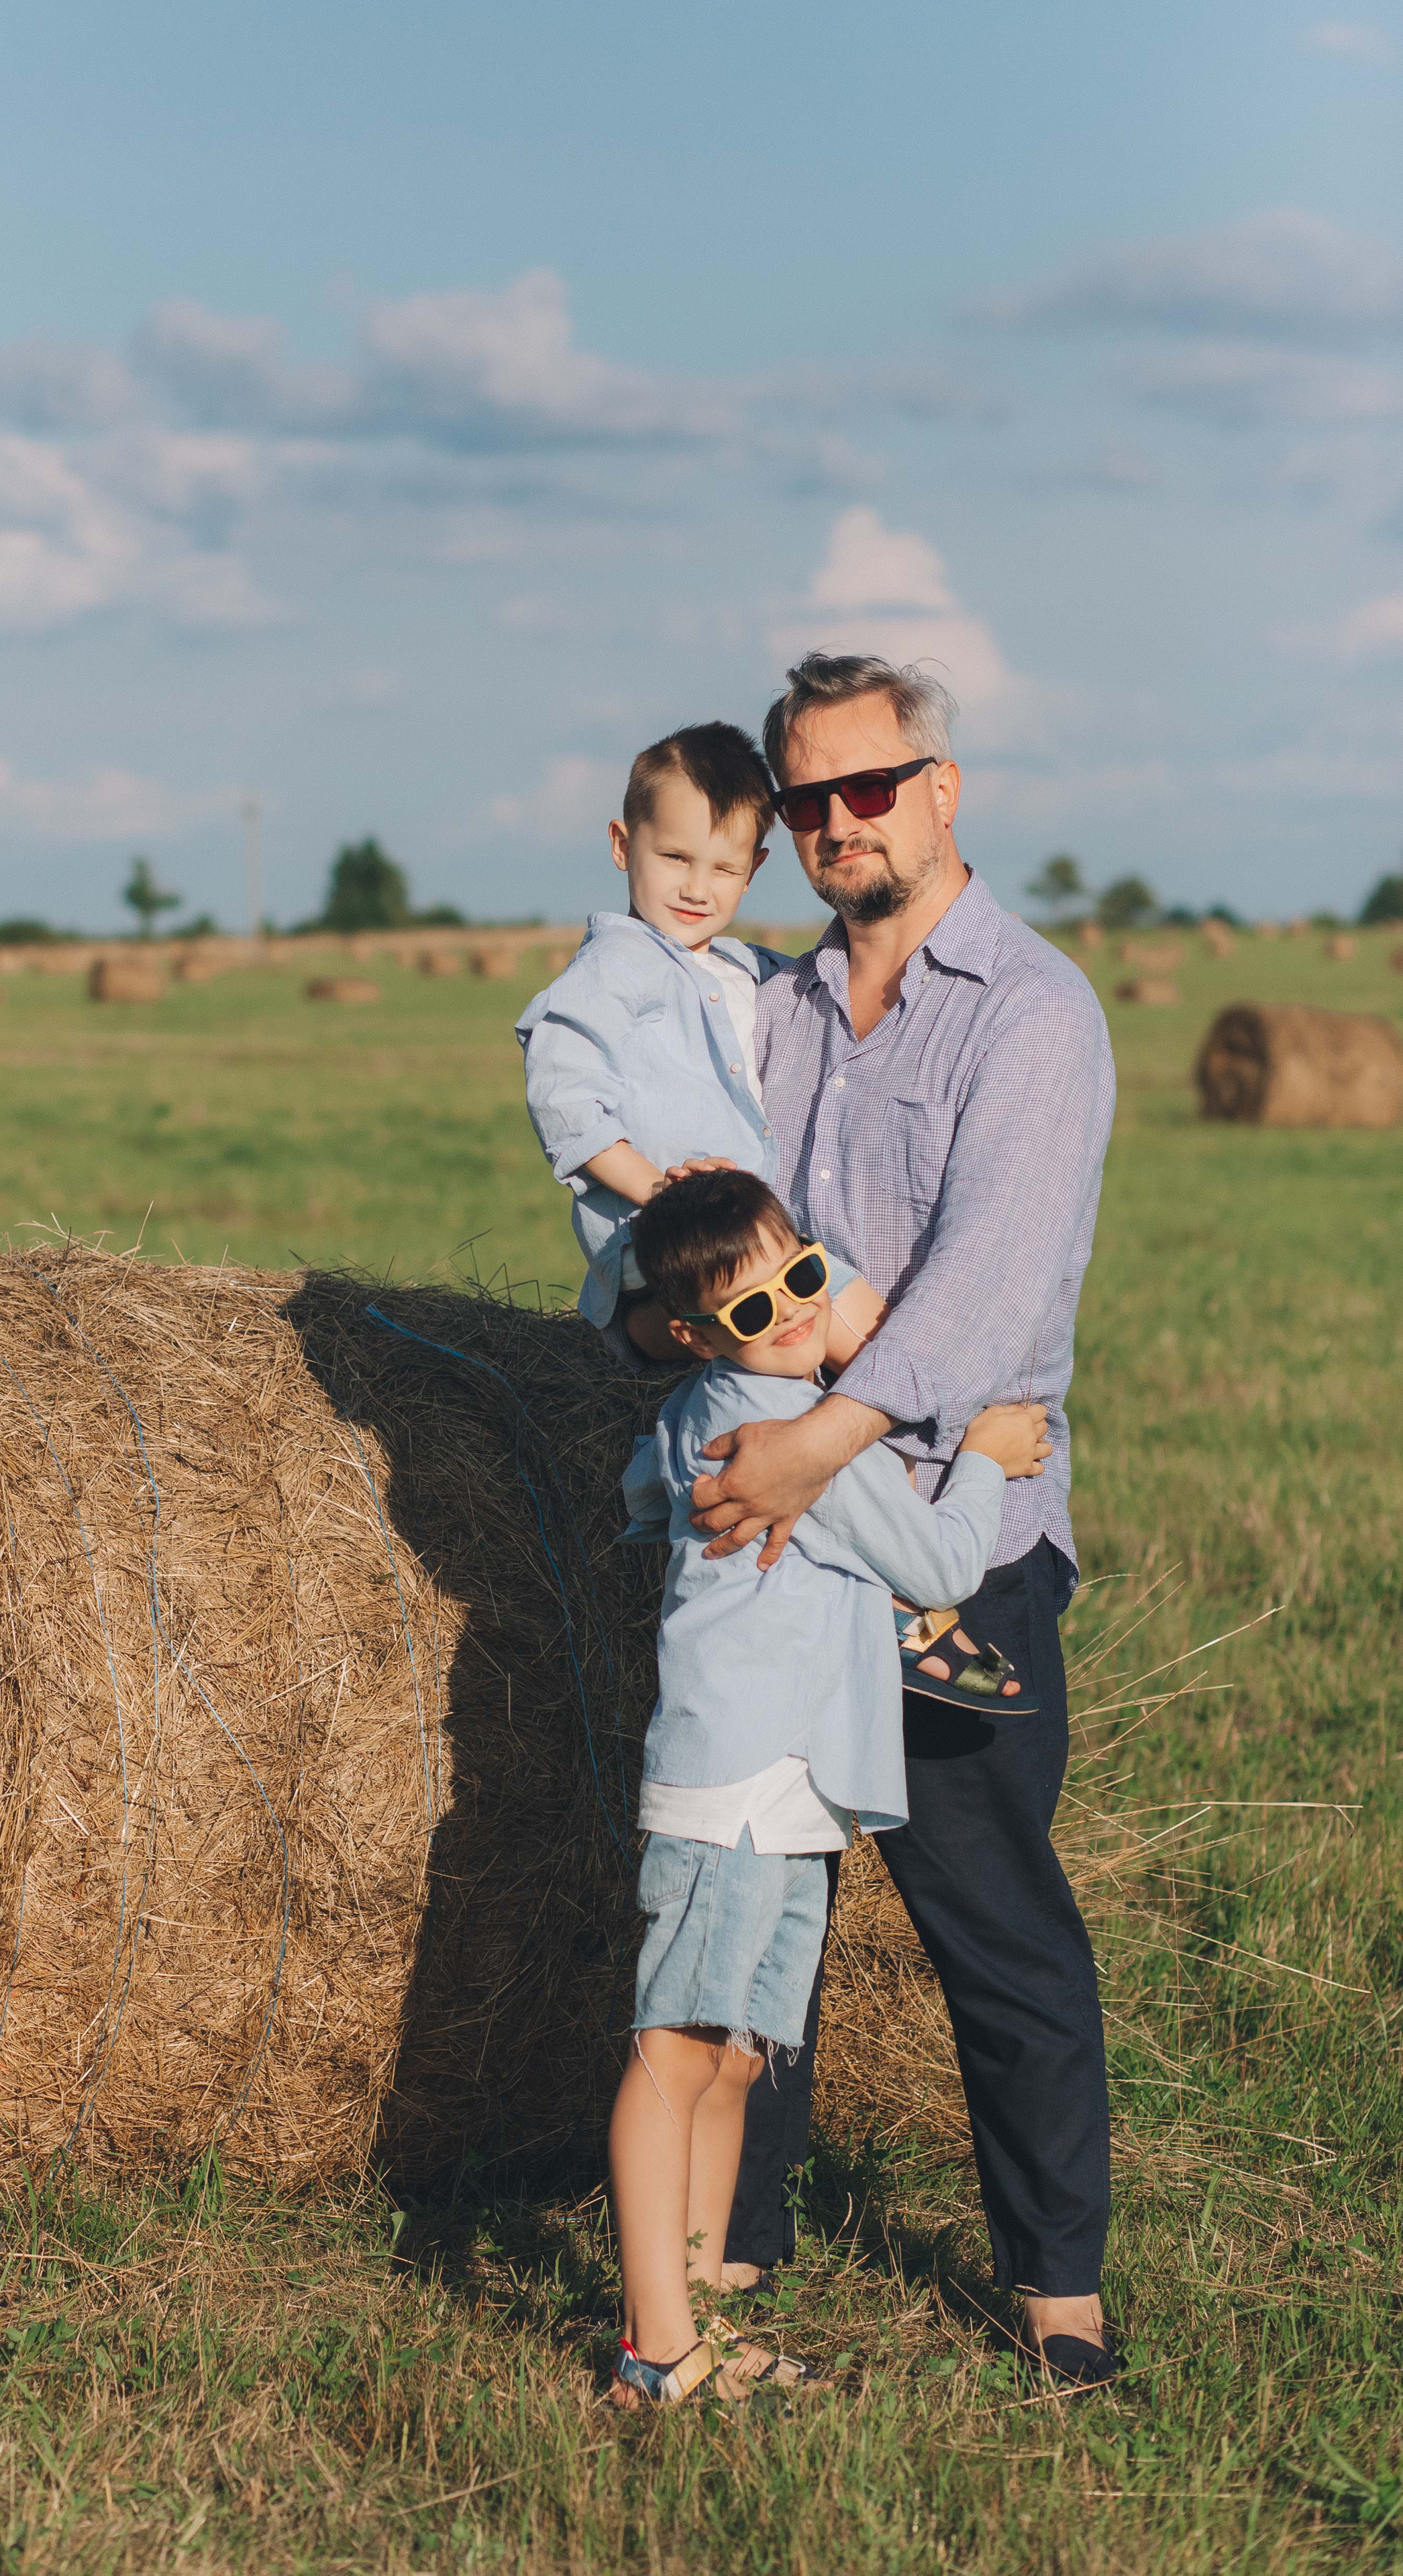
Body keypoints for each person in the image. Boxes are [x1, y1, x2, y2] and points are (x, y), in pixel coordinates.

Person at [696, 653, 1119, 2387]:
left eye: (869, 787)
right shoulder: (773, 1013)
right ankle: (731, 2240)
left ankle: (1058, 2293)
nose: (835, 824)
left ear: (943, 790)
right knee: (755, 1905)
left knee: (994, 1923)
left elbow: (985, 1298)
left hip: (958, 1543)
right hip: (779, 1558)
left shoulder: (1030, 1010)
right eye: (805, 799)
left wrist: (819, 1448)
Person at [606, 1167, 1052, 2408]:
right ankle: (655, 2349)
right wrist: (983, 1454)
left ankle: (691, 2318)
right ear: (700, 1335)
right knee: (676, 2050)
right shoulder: (800, 1438)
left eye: (804, 1277)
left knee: (738, 2056)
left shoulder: (724, 1408)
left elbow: (647, 1491)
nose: (795, 1314)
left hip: (793, 1775)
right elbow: (945, 1561)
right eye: (754, 1310)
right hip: (744, 1773)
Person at [514, 720, 887, 1367]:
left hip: (748, 1240)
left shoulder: (747, 970)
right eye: (675, 858)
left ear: (754, 871)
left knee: (849, 1319)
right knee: (852, 1325)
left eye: (723, 868)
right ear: (622, 845)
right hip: (665, 1249)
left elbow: (833, 984)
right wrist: (665, 1196)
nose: (696, 887)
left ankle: (936, 1428)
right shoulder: (612, 970)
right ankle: (962, 1434)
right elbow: (564, 1102)